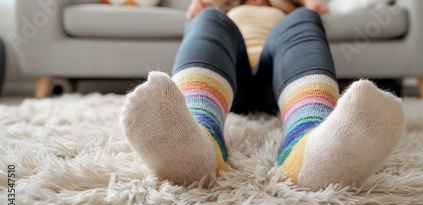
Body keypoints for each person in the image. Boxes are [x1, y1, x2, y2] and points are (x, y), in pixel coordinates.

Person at [120, 0, 405, 191]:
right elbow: (197, 22)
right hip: (227, 82)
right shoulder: (222, 6)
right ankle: (199, 138)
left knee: (304, 18)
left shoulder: (292, 7)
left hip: (284, 85)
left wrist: (307, 4)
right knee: (209, 19)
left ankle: (305, 147)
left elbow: (318, 10)